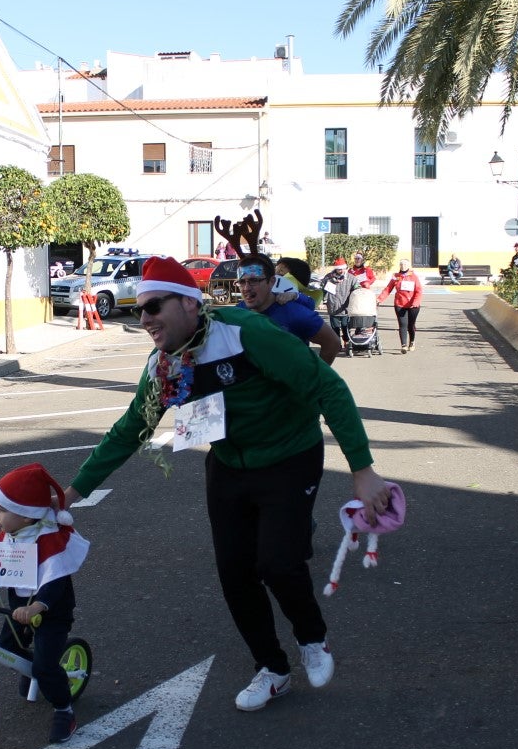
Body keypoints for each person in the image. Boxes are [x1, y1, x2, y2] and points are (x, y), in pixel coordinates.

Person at [63, 256, 392, 712]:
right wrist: (71, 494)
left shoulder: (246, 332)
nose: (145, 319)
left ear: (189, 304)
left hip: (289, 456)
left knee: (279, 563)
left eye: (154, 306)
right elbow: (129, 429)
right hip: (229, 466)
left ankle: (312, 638)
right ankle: (272, 669)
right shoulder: (164, 365)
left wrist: (363, 469)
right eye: (140, 310)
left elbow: (327, 388)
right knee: (235, 573)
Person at [0, 463, 89, 744]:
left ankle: (64, 709)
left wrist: (38, 606)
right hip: (18, 608)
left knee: (45, 667)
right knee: (6, 648)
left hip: (50, 613)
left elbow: (55, 582)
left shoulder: (49, 541)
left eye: (2, 510)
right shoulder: (10, 537)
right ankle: (35, 669)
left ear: (26, 516)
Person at [236, 253, 341, 366]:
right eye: (242, 282)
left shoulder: (294, 312)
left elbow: (332, 343)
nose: (246, 288)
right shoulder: (236, 313)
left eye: (254, 281)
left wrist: (315, 378)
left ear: (272, 281)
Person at [376, 258, 424, 354]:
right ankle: (404, 345)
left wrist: (415, 303)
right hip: (400, 304)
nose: (403, 266)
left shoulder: (414, 277)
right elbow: (388, 289)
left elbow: (419, 291)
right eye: (401, 264)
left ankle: (412, 342)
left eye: (405, 264)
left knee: (411, 325)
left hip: (413, 306)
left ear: (408, 266)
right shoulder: (396, 277)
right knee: (403, 325)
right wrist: (379, 299)